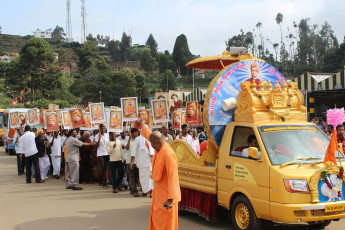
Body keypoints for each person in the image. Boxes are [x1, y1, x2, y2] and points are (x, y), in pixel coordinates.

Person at [138, 117, 181, 230]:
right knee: (158, 225)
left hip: (167, 198)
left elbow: (173, 177)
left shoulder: (167, 154)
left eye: (150, 142)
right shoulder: (159, 145)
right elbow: (150, 135)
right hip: (159, 196)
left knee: (167, 226)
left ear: (154, 143)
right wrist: (143, 124)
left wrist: (171, 199)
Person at [131, 128, 154, 196]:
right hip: (141, 163)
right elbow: (133, 151)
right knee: (143, 178)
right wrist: (132, 161)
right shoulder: (138, 139)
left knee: (151, 178)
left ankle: (151, 192)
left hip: (150, 162)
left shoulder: (151, 138)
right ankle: (145, 191)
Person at [128, 128, 140, 197]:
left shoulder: (140, 140)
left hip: (138, 161)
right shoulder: (128, 139)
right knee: (132, 176)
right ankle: (135, 191)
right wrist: (129, 139)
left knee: (136, 176)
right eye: (135, 132)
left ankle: (133, 188)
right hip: (130, 160)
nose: (136, 134)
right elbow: (126, 148)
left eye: (137, 132)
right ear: (132, 133)